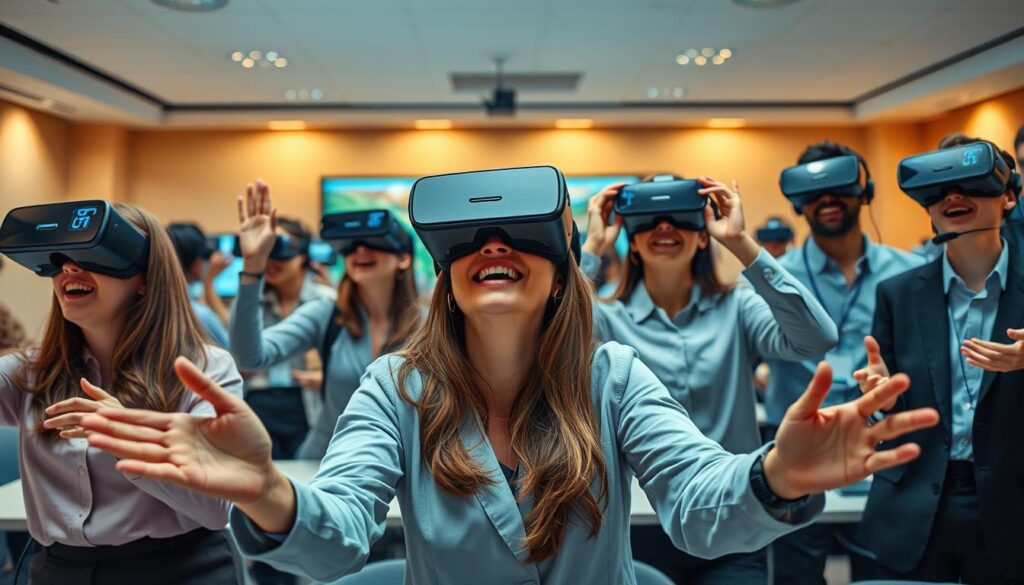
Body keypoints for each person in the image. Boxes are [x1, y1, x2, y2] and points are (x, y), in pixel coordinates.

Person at [79, 166, 938, 584]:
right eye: (468, 244)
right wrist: (268, 490)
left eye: (524, 239)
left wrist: (775, 474)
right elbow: (338, 529)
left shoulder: (614, 373)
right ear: (446, 275)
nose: (494, 248)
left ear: (563, 271)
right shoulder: (396, 387)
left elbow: (701, 503)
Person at [580, 174, 838, 584]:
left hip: (732, 515)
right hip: (644, 519)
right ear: (631, 238)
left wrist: (740, 242)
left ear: (702, 236)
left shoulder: (736, 306)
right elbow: (549, 338)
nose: (664, 227)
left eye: (680, 217)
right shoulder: (607, 317)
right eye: (648, 219)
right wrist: (592, 249)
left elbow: (816, 338)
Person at [0, 201, 242, 584]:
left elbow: (215, 509)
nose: (70, 269)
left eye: (89, 255)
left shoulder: (205, 370)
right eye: (62, 259)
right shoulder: (31, 372)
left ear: (144, 278)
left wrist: (126, 437)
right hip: (59, 571)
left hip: (181, 570)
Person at [855, 135, 1024, 584]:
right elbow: (886, 407)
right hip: (913, 506)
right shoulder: (897, 294)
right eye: (938, 188)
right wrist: (880, 399)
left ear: (1008, 196)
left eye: (971, 183)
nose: (953, 196)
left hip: (1013, 511)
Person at [762, 141, 924, 584]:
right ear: (798, 203)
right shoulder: (774, 280)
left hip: (885, 453)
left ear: (866, 190)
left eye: (839, 186)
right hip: (795, 455)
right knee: (797, 577)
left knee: (882, 574)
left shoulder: (912, 272)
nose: (826, 199)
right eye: (813, 191)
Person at [229, 181, 421, 461]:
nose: (360, 252)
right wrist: (253, 268)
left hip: (405, 464)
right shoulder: (327, 313)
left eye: (374, 243)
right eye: (351, 247)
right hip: (327, 462)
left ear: (403, 258)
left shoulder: (429, 324)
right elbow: (249, 357)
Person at [232, 208, 336, 461]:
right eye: (267, 249)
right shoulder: (250, 303)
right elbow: (239, 360)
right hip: (258, 402)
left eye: (279, 247)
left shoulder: (327, 305)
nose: (272, 259)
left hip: (307, 405)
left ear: (302, 254)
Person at [166, 222, 231, 348]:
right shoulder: (199, 315)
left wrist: (208, 280)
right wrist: (209, 280)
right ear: (195, 260)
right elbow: (236, 351)